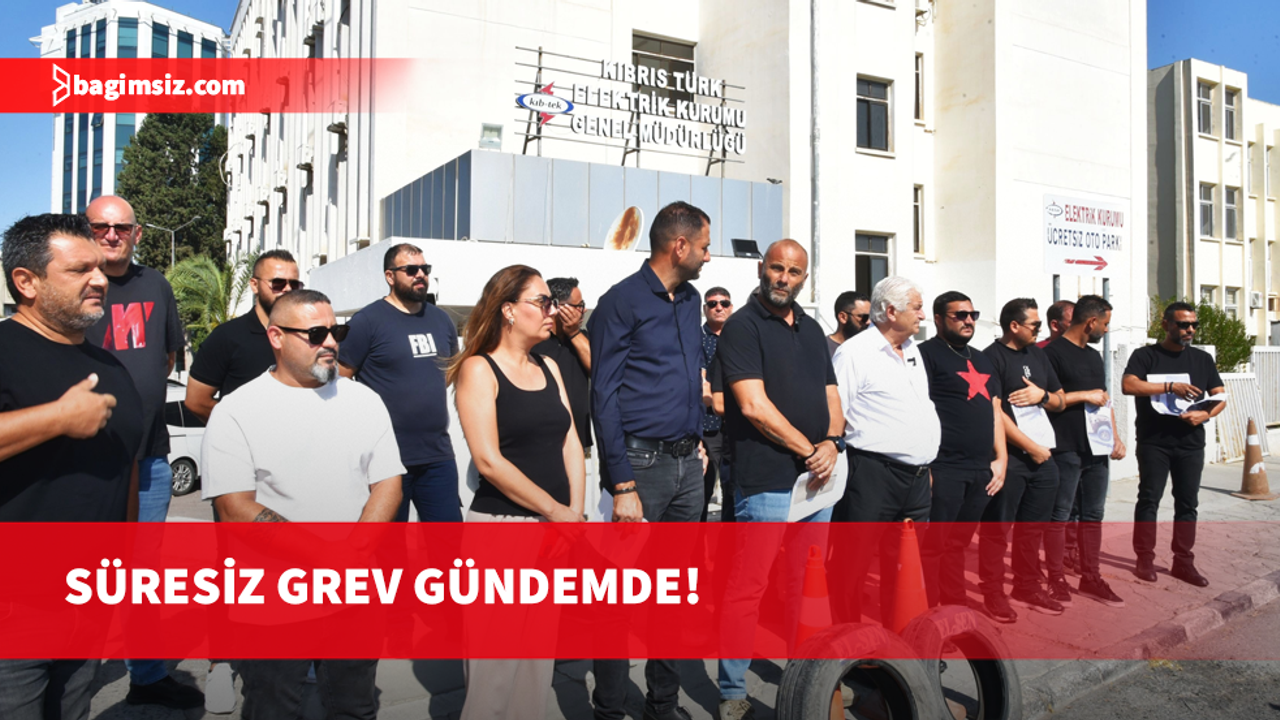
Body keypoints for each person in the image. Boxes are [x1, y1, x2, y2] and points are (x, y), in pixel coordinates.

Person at [202, 289, 403, 719]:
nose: (330, 342)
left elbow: (388, 483)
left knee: (354, 708)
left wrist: (355, 553)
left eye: (336, 331)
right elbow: (235, 508)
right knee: (274, 709)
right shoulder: (237, 410)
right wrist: (330, 557)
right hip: (271, 604)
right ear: (276, 337)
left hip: (354, 594)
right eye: (315, 334)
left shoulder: (364, 400)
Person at [0, 213, 144, 720]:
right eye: (81, 269)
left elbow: (126, 468)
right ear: (27, 282)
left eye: (100, 268)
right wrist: (57, 418)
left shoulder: (110, 367)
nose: (101, 279)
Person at [589, 201, 711, 720]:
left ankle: (663, 706)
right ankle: (610, 710)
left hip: (687, 467)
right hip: (640, 468)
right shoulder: (620, 302)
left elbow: (688, 377)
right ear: (679, 246)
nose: (708, 256)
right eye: (704, 246)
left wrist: (697, 437)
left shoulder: (692, 299)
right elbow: (603, 395)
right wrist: (622, 484)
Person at [449, 265, 585, 720]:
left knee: (534, 673)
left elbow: (571, 441)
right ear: (508, 310)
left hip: (554, 529)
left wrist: (573, 515)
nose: (553, 311)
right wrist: (557, 512)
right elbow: (488, 461)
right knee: (493, 678)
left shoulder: (550, 366)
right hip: (501, 531)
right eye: (543, 302)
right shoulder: (478, 369)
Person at [84, 196, 204, 709]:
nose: (112, 235)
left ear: (137, 234)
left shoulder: (156, 284)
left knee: (142, 576)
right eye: (101, 227)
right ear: (87, 231)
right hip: (86, 461)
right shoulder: (74, 282)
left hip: (151, 456)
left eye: (122, 227)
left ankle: (147, 676)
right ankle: (61, 680)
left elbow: (168, 355)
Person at [714, 240, 842, 720]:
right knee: (748, 588)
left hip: (817, 480)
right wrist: (810, 450)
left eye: (793, 271)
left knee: (807, 585)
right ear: (761, 270)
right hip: (766, 478)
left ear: (804, 277)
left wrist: (833, 442)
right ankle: (732, 691)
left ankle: (809, 681)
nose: (783, 278)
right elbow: (753, 405)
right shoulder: (742, 327)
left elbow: (832, 393)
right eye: (776, 268)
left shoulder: (812, 329)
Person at [831, 276, 940, 626]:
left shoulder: (912, 350)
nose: (922, 315)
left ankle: (900, 641)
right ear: (891, 312)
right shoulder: (854, 353)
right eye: (917, 307)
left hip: (916, 479)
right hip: (872, 476)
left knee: (905, 568)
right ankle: (848, 642)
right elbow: (836, 413)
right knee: (852, 566)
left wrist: (923, 461)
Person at [339, 243, 460, 522]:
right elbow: (342, 379)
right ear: (390, 276)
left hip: (437, 455)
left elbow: (449, 370)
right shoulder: (367, 321)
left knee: (448, 541)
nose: (420, 275)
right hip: (386, 459)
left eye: (424, 269)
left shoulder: (441, 320)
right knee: (390, 545)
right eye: (411, 269)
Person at [1122, 301, 1226, 587]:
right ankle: (1145, 559)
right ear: (1166, 325)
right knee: (1149, 499)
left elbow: (1220, 396)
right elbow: (1128, 385)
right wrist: (1170, 386)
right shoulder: (1146, 356)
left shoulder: (1202, 359)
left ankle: (1183, 562)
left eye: (1193, 325)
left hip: (1190, 443)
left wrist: (1205, 414)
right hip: (1154, 442)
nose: (1189, 329)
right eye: (1183, 324)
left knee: (1188, 503)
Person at [917, 291, 1007, 608]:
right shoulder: (924, 355)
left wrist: (1001, 459)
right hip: (945, 467)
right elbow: (917, 411)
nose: (969, 321)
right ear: (938, 319)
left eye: (972, 315)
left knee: (958, 543)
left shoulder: (981, 358)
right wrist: (925, 466)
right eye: (960, 315)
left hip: (980, 469)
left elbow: (995, 410)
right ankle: (930, 609)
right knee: (934, 545)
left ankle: (954, 604)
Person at [979, 298, 1066, 622]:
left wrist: (1041, 396)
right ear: (1014, 326)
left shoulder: (1038, 354)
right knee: (997, 530)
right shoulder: (991, 358)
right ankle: (993, 592)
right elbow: (995, 411)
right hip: (1011, 458)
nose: (1039, 329)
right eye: (1035, 325)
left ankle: (1027, 586)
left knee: (1032, 529)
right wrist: (1030, 447)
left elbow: (1059, 400)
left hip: (1043, 457)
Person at [1043, 294, 1127, 607]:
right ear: (1091, 322)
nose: (1106, 330)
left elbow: (1103, 398)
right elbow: (1046, 399)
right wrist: (1083, 396)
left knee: (1093, 515)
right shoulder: (1051, 354)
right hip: (1065, 448)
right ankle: (1056, 579)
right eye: (1105, 324)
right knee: (1059, 517)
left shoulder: (1093, 356)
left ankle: (1091, 577)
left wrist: (1115, 437)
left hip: (1097, 448)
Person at [184, 249, 302, 422]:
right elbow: (196, 402)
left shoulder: (307, 336)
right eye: (278, 283)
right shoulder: (227, 337)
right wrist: (242, 428)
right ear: (254, 285)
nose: (287, 289)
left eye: (295, 284)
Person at [533, 276, 594, 515]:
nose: (583, 310)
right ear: (559, 306)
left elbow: (598, 370)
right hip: (542, 447)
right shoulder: (535, 342)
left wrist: (574, 333)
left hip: (576, 444)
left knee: (573, 511)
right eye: (579, 305)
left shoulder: (582, 338)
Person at [700, 286, 734, 521]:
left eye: (724, 303)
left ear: (731, 307)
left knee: (733, 489)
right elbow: (699, 383)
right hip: (707, 426)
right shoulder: (696, 339)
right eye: (713, 304)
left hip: (735, 426)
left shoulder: (740, 337)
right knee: (702, 490)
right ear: (705, 309)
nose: (719, 307)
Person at [827, 290, 871, 357]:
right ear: (843, 317)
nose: (869, 321)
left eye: (871, 317)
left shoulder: (870, 349)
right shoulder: (822, 349)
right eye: (864, 317)